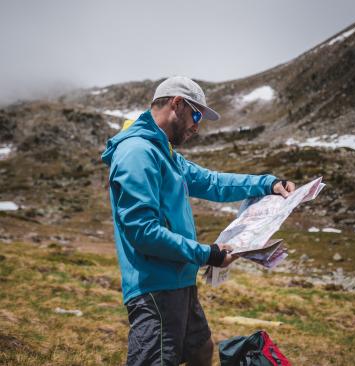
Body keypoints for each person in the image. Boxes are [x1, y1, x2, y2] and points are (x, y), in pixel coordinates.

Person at [101, 76, 295, 366]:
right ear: (176, 104)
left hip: (179, 280)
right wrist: (208, 254)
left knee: (201, 350)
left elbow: (212, 182)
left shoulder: (162, 152)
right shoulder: (137, 153)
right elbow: (143, 233)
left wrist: (267, 184)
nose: (197, 125)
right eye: (196, 115)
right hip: (156, 288)